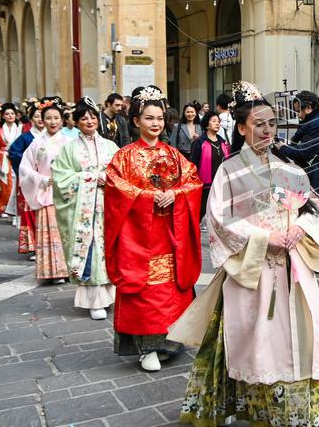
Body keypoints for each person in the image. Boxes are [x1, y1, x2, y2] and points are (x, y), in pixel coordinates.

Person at [180, 81, 319, 427]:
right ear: (241, 128)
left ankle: (299, 416)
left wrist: (299, 229)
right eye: (259, 124)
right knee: (254, 341)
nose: (267, 131)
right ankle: (254, 407)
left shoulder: (289, 167)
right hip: (254, 270)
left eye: (272, 123)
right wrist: (265, 238)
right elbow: (220, 218)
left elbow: (314, 206)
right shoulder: (229, 171)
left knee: (301, 337)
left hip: (292, 268)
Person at [104, 86, 202, 372]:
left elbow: (193, 182)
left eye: (159, 118)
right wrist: (147, 198)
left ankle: (171, 342)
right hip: (139, 235)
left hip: (171, 231)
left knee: (169, 290)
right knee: (144, 292)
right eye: (148, 118)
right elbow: (115, 187)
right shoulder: (123, 157)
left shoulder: (174, 155)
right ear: (136, 121)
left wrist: (177, 195)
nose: (155, 123)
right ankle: (146, 347)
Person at [53, 98, 119, 321]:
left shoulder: (111, 146)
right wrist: (91, 178)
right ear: (76, 121)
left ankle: (110, 294)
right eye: (83, 117)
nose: (89, 121)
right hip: (85, 210)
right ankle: (93, 300)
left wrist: (109, 179)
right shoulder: (69, 149)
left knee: (109, 248)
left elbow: (122, 174)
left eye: (92, 116)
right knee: (91, 249)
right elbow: (61, 180)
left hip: (108, 207)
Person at [20, 99, 73, 284]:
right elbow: (25, 168)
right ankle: (50, 270)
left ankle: (66, 270)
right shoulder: (36, 143)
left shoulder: (69, 142)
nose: (52, 122)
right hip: (46, 190)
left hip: (66, 192)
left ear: (62, 120)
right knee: (48, 232)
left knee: (65, 232)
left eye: (56, 118)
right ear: (42, 120)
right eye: (48, 118)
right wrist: (41, 179)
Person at [275, 91, 319, 202]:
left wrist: (282, 147)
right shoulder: (314, 120)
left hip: (315, 178)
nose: (298, 114)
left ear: (308, 108)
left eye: (298, 111)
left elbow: (304, 152)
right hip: (312, 176)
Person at [10, 105, 44, 259]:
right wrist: (29, 166)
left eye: (44, 116)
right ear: (31, 119)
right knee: (31, 213)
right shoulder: (25, 137)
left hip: (49, 181)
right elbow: (14, 153)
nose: (41, 119)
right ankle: (34, 246)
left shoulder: (56, 138)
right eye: (37, 116)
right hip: (31, 181)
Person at [189, 110, 231, 226]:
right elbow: (193, 163)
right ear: (207, 124)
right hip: (205, 184)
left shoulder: (222, 142)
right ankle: (192, 232)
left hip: (220, 182)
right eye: (214, 121)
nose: (217, 123)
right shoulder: (199, 142)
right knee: (201, 210)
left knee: (221, 211)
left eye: (218, 121)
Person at [0, 103, 23, 217]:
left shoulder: (20, 129)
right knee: (5, 184)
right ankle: (4, 207)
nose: (10, 116)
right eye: (7, 114)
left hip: (18, 159)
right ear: (3, 116)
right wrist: (2, 153)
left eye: (12, 113)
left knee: (17, 184)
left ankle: (16, 209)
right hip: (4, 160)